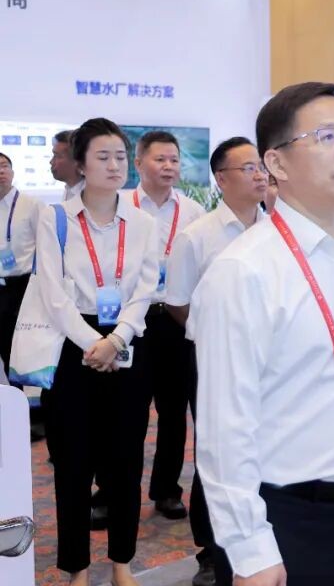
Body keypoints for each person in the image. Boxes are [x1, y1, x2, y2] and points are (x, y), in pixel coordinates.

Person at [192, 82, 334, 586]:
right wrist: (250, 549)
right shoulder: (243, 271)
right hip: (283, 518)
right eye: (326, 136)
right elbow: (224, 429)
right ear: (276, 163)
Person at [36, 118, 160, 586]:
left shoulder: (143, 223)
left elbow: (145, 289)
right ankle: (78, 569)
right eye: (103, 157)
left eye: (121, 157)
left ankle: (122, 563)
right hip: (73, 349)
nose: (114, 165)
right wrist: (94, 344)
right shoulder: (56, 218)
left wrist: (117, 339)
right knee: (72, 465)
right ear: (81, 164)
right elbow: (53, 294)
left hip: (127, 346)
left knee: (125, 462)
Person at [165, 136, 269, 586]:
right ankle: (210, 549)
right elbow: (177, 301)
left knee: (263, 444)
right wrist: (214, 332)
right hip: (213, 358)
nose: (260, 175)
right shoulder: (197, 235)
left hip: (270, 358)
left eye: (262, 166)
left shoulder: (277, 229)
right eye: (248, 168)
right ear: (221, 179)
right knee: (217, 447)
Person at [128, 131, 207, 521]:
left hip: (175, 319)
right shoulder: (122, 207)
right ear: (139, 163)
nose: (169, 166)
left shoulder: (193, 212)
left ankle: (166, 490)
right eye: (160, 159)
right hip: (131, 321)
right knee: (127, 411)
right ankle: (113, 491)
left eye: (174, 159)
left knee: (174, 412)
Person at [0, 152, 42, 379]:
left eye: (4, 166)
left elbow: (46, 245)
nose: (1, 171)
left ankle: (18, 396)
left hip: (20, 287)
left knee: (14, 351)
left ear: (13, 171)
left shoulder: (31, 205)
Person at [52, 130, 85, 201]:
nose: (51, 162)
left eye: (57, 156)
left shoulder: (89, 198)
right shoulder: (70, 189)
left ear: (77, 161)